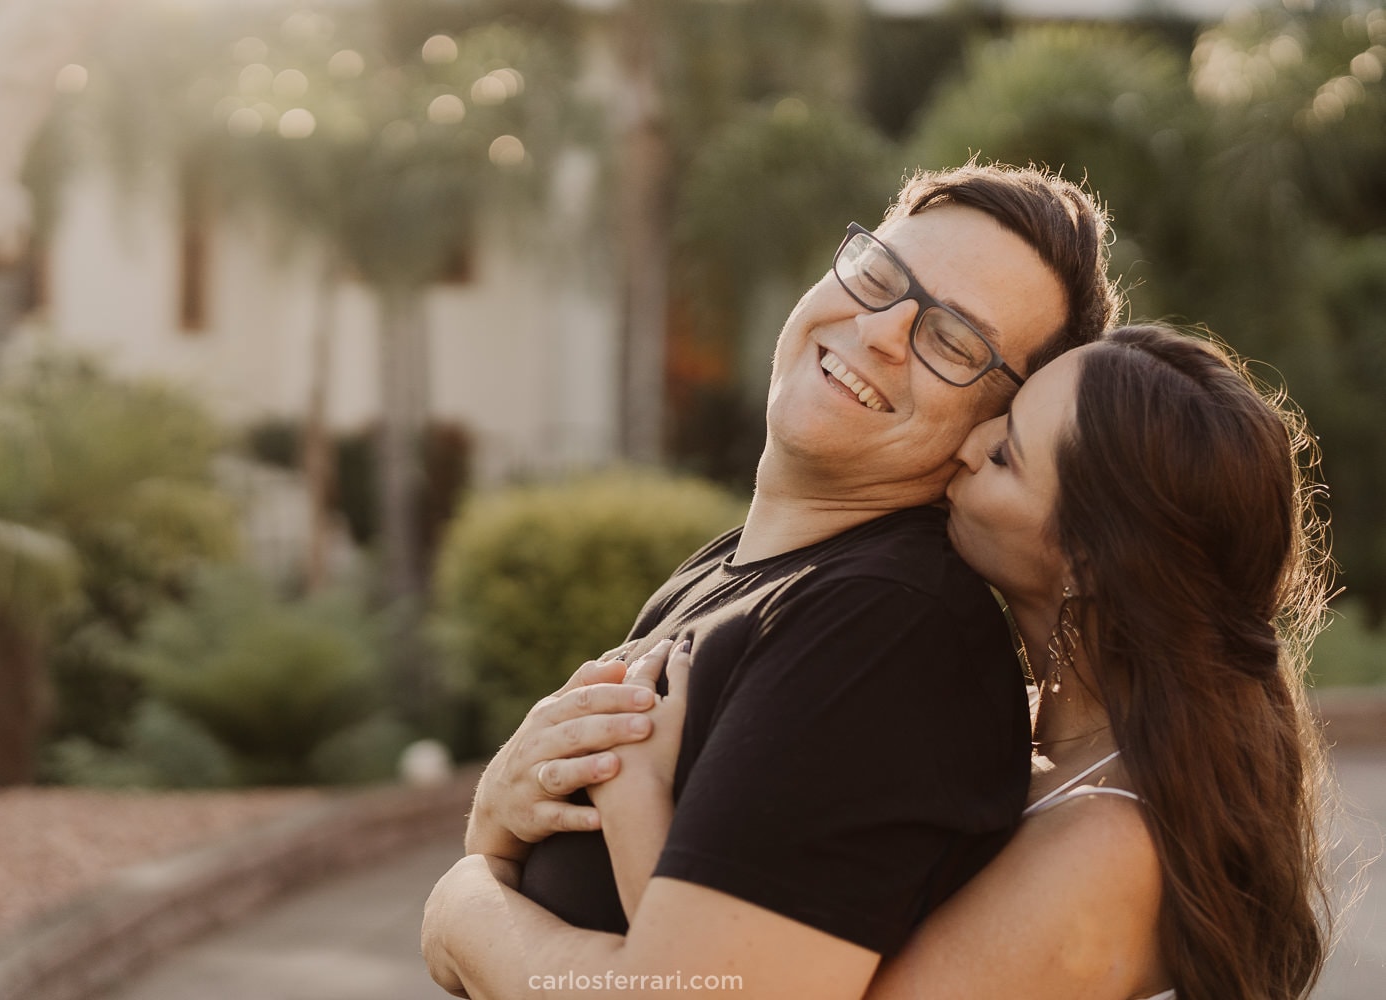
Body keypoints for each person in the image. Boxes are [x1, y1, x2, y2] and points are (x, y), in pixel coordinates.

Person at [423, 324, 1335, 1000]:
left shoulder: (1111, 842)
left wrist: (614, 807)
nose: (968, 445)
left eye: (1008, 454)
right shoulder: (1018, 724)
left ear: (1088, 562)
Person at [429, 160, 1121, 998]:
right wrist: (499, 818)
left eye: (953, 340)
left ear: (993, 423)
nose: (881, 331)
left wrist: (462, 903)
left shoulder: (884, 631)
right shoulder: (735, 572)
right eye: (881, 274)